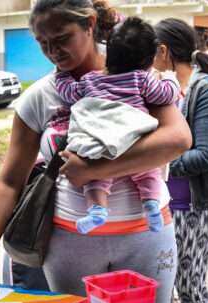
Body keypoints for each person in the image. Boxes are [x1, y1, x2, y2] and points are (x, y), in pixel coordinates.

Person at [0, 0, 192, 303]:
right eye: (43, 43)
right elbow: (10, 181)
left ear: (89, 24)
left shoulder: (133, 73)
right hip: (70, 242)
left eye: (62, 39)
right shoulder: (40, 96)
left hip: (144, 236)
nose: (53, 51)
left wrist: (93, 170)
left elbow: (178, 139)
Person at [54, 16, 179, 234]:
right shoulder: (142, 79)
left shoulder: (90, 79)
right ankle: (151, 206)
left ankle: (97, 210)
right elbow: (165, 95)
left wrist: (61, 75)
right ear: (150, 59)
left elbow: (68, 92)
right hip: (132, 140)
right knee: (147, 171)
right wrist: (169, 78)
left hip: (100, 140)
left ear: (108, 54)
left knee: (95, 177)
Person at [154, 19, 208, 303]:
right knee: (164, 287)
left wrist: (158, 164)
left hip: (192, 210)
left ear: (164, 51)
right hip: (163, 207)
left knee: (190, 287)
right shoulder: (164, 88)